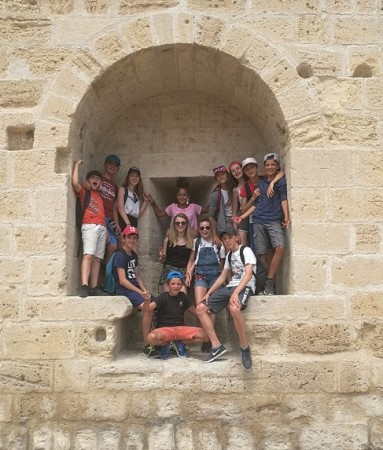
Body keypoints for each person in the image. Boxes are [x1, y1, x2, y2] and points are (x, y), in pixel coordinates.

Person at [196, 227, 255, 369]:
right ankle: (216, 345)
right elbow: (223, 276)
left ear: (237, 237)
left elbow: (248, 274)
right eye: (225, 238)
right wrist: (209, 292)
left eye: (230, 237)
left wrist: (236, 293)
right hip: (230, 287)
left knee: (234, 309)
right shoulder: (229, 255)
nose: (227, 240)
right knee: (200, 308)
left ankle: (244, 348)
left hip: (245, 286)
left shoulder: (245, 251)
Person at [234, 153, 289, 295]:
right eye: (268, 165)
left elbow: (283, 194)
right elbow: (255, 206)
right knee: (261, 254)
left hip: (274, 219)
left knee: (280, 247)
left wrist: (286, 216)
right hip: (258, 220)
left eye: (273, 165)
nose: (270, 167)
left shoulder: (273, 181)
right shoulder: (256, 185)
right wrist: (242, 217)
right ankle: (264, 284)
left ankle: (270, 281)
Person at [142, 271, 210, 359]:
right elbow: (147, 309)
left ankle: (179, 343)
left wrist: (206, 310)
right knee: (151, 338)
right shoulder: (162, 297)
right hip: (165, 330)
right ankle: (168, 343)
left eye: (178, 284)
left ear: (182, 285)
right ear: (168, 285)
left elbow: (196, 312)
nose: (175, 286)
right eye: (173, 284)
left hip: (180, 330)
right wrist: (147, 301)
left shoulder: (183, 297)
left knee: (207, 335)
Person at [112, 225, 156, 355]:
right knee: (148, 309)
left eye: (135, 238)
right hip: (125, 290)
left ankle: (159, 338)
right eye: (129, 237)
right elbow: (122, 280)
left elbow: (136, 276)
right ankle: (147, 344)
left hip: (135, 290)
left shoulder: (134, 255)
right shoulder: (120, 255)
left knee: (159, 302)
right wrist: (139, 292)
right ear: (124, 238)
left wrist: (144, 290)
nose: (132, 240)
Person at [72, 160, 107, 298]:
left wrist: (105, 228)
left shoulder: (100, 196)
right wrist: (76, 166)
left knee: (97, 258)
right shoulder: (85, 191)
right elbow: (75, 183)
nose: (96, 180)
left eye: (98, 179)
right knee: (88, 255)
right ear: (88, 180)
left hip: (101, 227)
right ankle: (85, 285)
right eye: (93, 178)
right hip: (90, 225)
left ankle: (94, 286)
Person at [185, 217, 225, 306]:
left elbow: (222, 264)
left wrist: (223, 278)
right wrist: (188, 275)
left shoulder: (219, 243)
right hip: (200, 276)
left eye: (207, 227)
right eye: (202, 228)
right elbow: (191, 260)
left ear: (211, 229)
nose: (205, 230)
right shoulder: (196, 242)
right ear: (198, 230)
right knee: (200, 306)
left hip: (215, 276)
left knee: (212, 308)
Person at [158, 213, 194, 293]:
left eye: (183, 223)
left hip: (183, 270)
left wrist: (188, 274)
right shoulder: (168, 240)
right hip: (168, 269)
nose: (180, 225)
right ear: (174, 224)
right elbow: (162, 261)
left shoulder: (191, 241)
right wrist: (162, 257)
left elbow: (191, 260)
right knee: (167, 298)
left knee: (183, 297)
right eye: (177, 223)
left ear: (187, 224)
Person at [98, 154, 121, 262]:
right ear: (105, 165)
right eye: (110, 164)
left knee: (113, 246)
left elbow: (115, 207)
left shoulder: (115, 186)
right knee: (100, 245)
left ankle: (106, 270)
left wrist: (116, 222)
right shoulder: (98, 179)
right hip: (99, 218)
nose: (113, 166)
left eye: (115, 165)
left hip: (110, 219)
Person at [208, 165, 233, 245]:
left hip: (236, 221)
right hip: (223, 223)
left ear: (227, 175)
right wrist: (214, 234)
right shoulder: (216, 194)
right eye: (218, 176)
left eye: (223, 174)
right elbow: (211, 215)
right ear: (216, 179)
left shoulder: (233, 189)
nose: (221, 177)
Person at [228, 160, 248, 246]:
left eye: (237, 168)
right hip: (242, 217)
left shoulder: (251, 182)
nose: (236, 171)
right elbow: (234, 211)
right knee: (242, 245)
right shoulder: (235, 189)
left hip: (256, 215)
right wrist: (235, 229)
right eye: (233, 171)